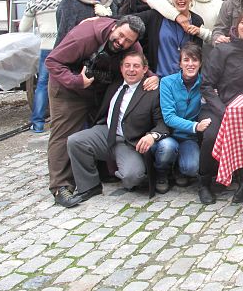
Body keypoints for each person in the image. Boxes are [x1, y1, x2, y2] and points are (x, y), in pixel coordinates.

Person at [46, 15, 152, 206]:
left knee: (100, 128)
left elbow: (141, 66)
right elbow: (52, 61)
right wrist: (76, 81)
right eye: (120, 35)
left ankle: (99, 174)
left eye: (128, 40)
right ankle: (61, 187)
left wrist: (153, 77)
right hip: (67, 88)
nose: (121, 42)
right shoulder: (84, 36)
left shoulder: (132, 46)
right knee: (63, 134)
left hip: (97, 90)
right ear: (114, 26)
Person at [63, 51, 169, 205]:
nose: (131, 70)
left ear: (145, 69)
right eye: (127, 65)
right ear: (121, 68)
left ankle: (120, 171)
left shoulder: (153, 92)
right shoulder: (114, 84)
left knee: (132, 177)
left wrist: (152, 136)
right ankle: (90, 186)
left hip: (129, 141)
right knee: (76, 141)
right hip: (107, 133)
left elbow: (163, 123)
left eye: (136, 66)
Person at [198, 9, 243, 204]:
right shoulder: (222, 50)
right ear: (236, 25)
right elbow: (206, 86)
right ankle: (204, 183)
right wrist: (224, 111)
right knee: (212, 136)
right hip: (219, 106)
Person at [154, 43, 209, 193]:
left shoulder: (205, 84)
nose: (190, 64)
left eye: (195, 60)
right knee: (167, 148)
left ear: (200, 63)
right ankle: (162, 173)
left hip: (188, 138)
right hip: (169, 134)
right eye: (186, 60)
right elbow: (169, 117)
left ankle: (179, 169)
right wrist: (195, 126)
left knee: (192, 167)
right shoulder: (167, 82)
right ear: (180, 63)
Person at [18, 0, 67, 132]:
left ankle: (38, 124)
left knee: (42, 83)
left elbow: (23, 27)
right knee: (67, 81)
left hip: (46, 46)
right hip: (64, 44)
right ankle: (65, 121)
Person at [133, 0, 204, 77]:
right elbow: (131, 19)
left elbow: (197, 56)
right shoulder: (157, 16)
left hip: (184, 80)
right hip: (158, 79)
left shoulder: (196, 21)